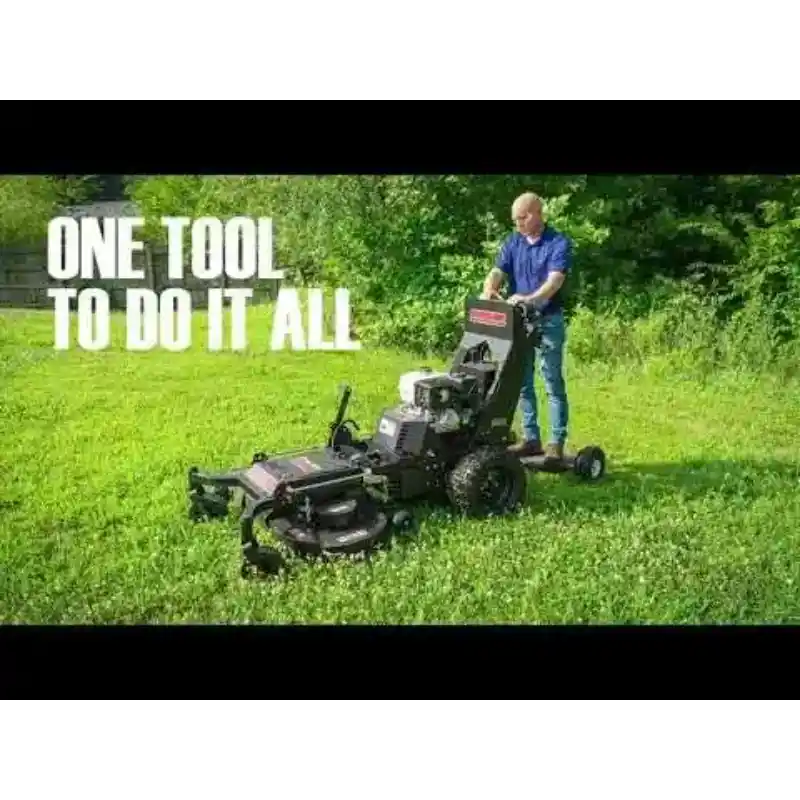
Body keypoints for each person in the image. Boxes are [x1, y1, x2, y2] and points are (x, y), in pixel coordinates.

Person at [481, 191, 572, 459]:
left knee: (552, 381)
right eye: (515, 220)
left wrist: (529, 299)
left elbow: (554, 282)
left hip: (547, 320)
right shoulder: (514, 242)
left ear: (535, 214)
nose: (517, 224)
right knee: (521, 381)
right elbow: (498, 270)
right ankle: (531, 438)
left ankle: (555, 443)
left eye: (521, 218)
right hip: (519, 321)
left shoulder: (558, 243)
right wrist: (490, 286)